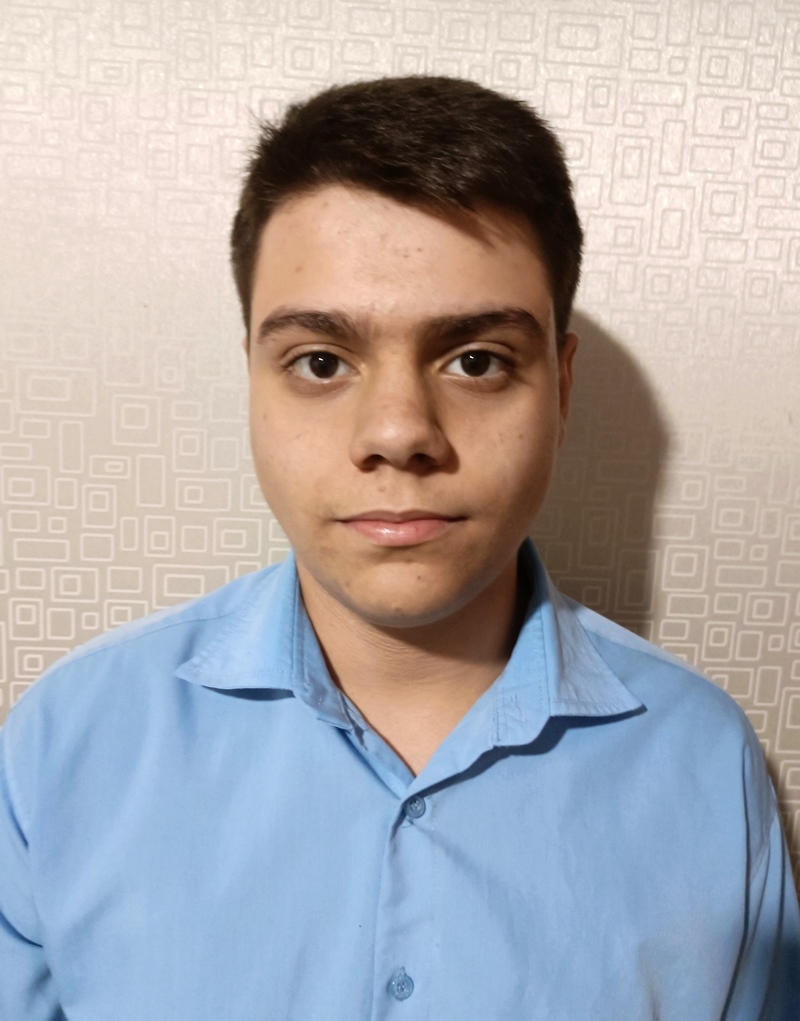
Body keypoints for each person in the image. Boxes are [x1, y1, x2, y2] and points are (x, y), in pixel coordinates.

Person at [0, 76, 797, 1020]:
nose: (398, 432)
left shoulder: (702, 762)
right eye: (321, 362)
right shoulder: (66, 745)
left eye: (477, 360)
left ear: (560, 388)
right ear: (252, 376)